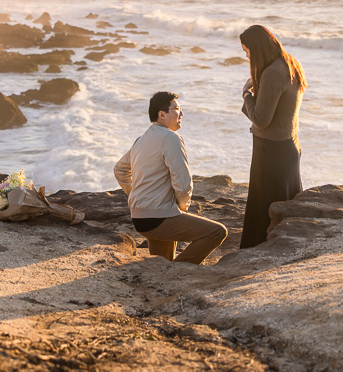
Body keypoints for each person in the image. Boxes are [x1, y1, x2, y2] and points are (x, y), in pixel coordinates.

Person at [114, 91, 227, 264]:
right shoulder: (170, 138)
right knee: (217, 232)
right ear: (162, 114)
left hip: (139, 218)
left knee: (162, 262)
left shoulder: (141, 139)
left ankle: (166, 272)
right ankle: (178, 270)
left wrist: (137, 195)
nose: (181, 113)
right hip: (159, 217)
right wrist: (182, 206)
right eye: (177, 109)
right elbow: (183, 183)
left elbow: (120, 170)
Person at [238, 24, 307, 248]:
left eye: (247, 50)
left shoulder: (272, 73)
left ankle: (256, 254)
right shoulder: (290, 64)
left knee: (264, 209)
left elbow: (261, 119)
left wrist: (246, 94)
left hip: (271, 152)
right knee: (284, 205)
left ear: (257, 49)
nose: (246, 55)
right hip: (288, 146)